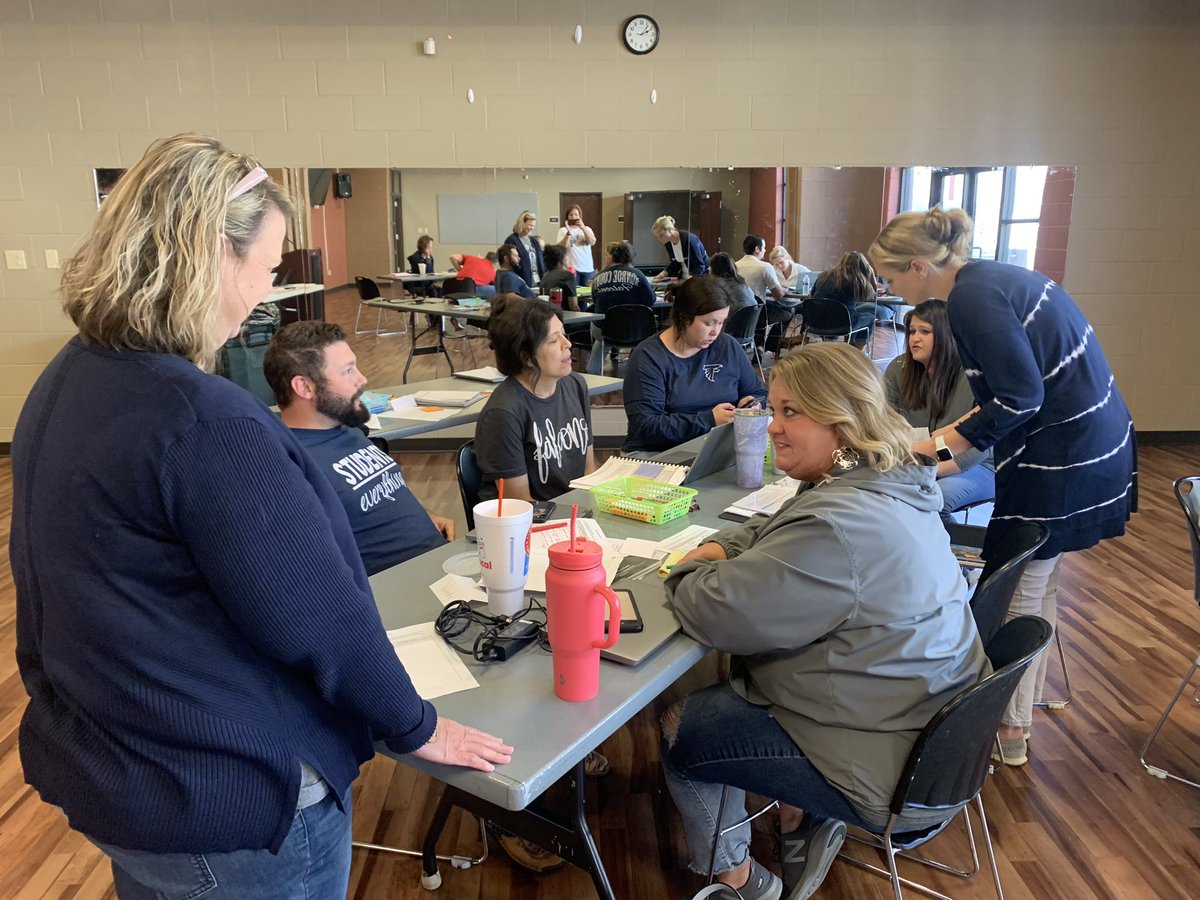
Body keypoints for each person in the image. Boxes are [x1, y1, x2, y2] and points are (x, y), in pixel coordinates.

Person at [9, 133, 511, 900]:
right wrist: (415, 725)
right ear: (212, 251)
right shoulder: (204, 419)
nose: (261, 298)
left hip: (118, 772)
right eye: (268, 271)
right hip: (230, 802)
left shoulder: (67, 375)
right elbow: (320, 617)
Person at [661, 343, 989, 900]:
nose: (772, 427)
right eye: (773, 409)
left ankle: (737, 878)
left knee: (681, 726)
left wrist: (683, 571)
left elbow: (715, 613)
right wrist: (723, 546)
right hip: (925, 731)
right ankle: (798, 817)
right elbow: (779, 532)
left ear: (841, 419)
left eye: (791, 412)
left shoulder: (840, 521)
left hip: (885, 762)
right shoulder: (883, 480)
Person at [869, 206, 1136, 767]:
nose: (891, 293)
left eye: (892, 280)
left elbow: (1018, 399)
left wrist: (936, 449)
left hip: (1065, 452)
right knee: (1042, 581)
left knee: (1018, 586)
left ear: (918, 267)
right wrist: (943, 442)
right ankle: (1023, 711)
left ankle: (1006, 729)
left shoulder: (971, 298)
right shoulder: (990, 278)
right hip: (1087, 441)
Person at [265, 321, 456, 575]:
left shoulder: (345, 426)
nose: (362, 379)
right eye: (347, 371)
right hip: (404, 591)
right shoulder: (291, 465)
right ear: (304, 387)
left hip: (439, 561)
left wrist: (424, 514)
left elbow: (377, 489)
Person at [622, 275, 766, 453]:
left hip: (717, 448)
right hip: (658, 452)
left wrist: (752, 403)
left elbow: (758, 393)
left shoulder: (727, 346)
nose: (715, 331)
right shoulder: (648, 357)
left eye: (721, 322)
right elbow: (647, 426)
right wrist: (709, 420)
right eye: (709, 323)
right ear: (684, 317)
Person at [884, 300, 996, 525]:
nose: (914, 338)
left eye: (925, 332)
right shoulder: (899, 368)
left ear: (946, 335)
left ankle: (948, 560)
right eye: (912, 331)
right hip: (916, 461)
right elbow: (886, 423)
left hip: (978, 465)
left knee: (932, 503)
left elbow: (981, 446)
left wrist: (929, 472)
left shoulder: (974, 376)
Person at [474, 296, 596, 503]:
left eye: (564, 335)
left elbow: (589, 470)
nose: (568, 344)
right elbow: (520, 503)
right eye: (554, 340)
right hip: (535, 521)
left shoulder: (575, 385)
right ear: (526, 356)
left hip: (576, 512)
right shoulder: (504, 412)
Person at [586, 240, 657, 375]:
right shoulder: (638, 275)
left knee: (602, 337)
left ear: (612, 257)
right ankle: (634, 368)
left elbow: (595, 303)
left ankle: (592, 371)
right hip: (636, 331)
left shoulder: (598, 277)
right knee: (636, 329)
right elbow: (650, 301)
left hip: (604, 331)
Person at [809, 250, 879, 345]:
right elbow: (873, 296)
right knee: (869, 318)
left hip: (815, 322)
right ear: (862, 267)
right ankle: (855, 352)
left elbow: (810, 297)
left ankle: (831, 344)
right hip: (842, 324)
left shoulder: (824, 276)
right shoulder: (855, 280)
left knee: (839, 314)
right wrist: (871, 273)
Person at [650, 214, 708, 280]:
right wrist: (661, 275)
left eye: (661, 235)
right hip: (683, 278)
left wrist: (687, 282)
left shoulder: (689, 239)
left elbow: (699, 267)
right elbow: (675, 264)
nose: (659, 239)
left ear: (669, 229)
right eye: (657, 237)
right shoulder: (668, 243)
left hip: (698, 280)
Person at [735, 234, 788, 303]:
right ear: (757, 249)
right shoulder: (765, 267)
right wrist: (785, 289)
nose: (765, 251)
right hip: (756, 311)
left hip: (736, 310)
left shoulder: (734, 266)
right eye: (764, 247)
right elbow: (779, 294)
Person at [556, 203, 597, 286]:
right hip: (572, 269)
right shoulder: (562, 230)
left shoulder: (587, 229)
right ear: (567, 217)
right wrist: (568, 233)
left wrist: (583, 227)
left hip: (588, 269)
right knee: (573, 294)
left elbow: (592, 242)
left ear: (580, 216)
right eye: (571, 215)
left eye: (576, 214)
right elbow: (560, 247)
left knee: (588, 295)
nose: (574, 217)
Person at [504, 209, 545, 289]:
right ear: (522, 224)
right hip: (521, 281)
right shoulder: (512, 240)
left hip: (537, 281)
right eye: (530, 225)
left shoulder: (534, 240)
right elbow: (510, 262)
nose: (532, 228)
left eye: (533, 226)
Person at [540, 244, 579, 309]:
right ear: (562, 259)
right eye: (567, 256)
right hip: (564, 315)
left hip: (549, 314)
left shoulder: (545, 276)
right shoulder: (568, 275)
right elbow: (574, 306)